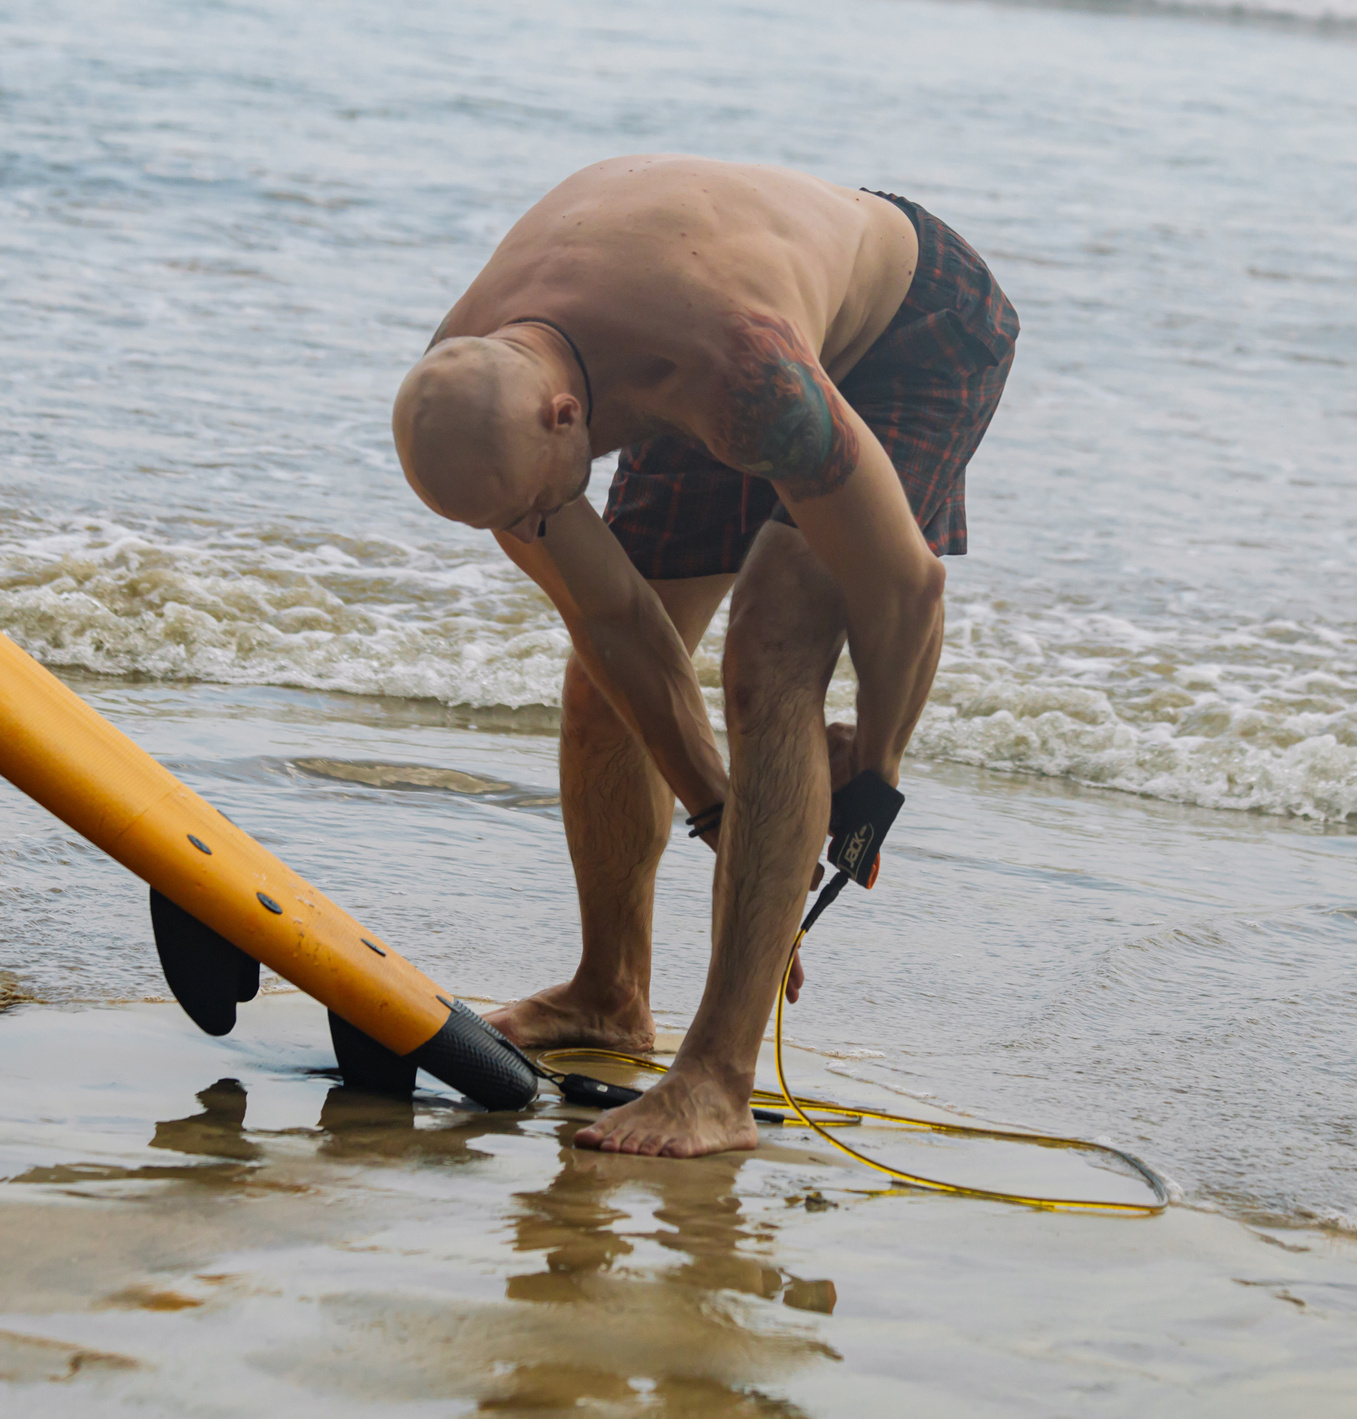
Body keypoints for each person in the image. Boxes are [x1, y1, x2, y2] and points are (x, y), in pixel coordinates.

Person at [390, 157, 1017, 1158]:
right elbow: (615, 618)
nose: (536, 528)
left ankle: (718, 1080)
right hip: (688, 325)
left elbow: (906, 588)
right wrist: (723, 816)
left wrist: (874, 770)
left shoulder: (743, 378)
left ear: (564, 417)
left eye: (536, 507)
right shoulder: (470, 387)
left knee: (771, 651)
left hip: (912, 327)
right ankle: (609, 995)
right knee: (601, 687)